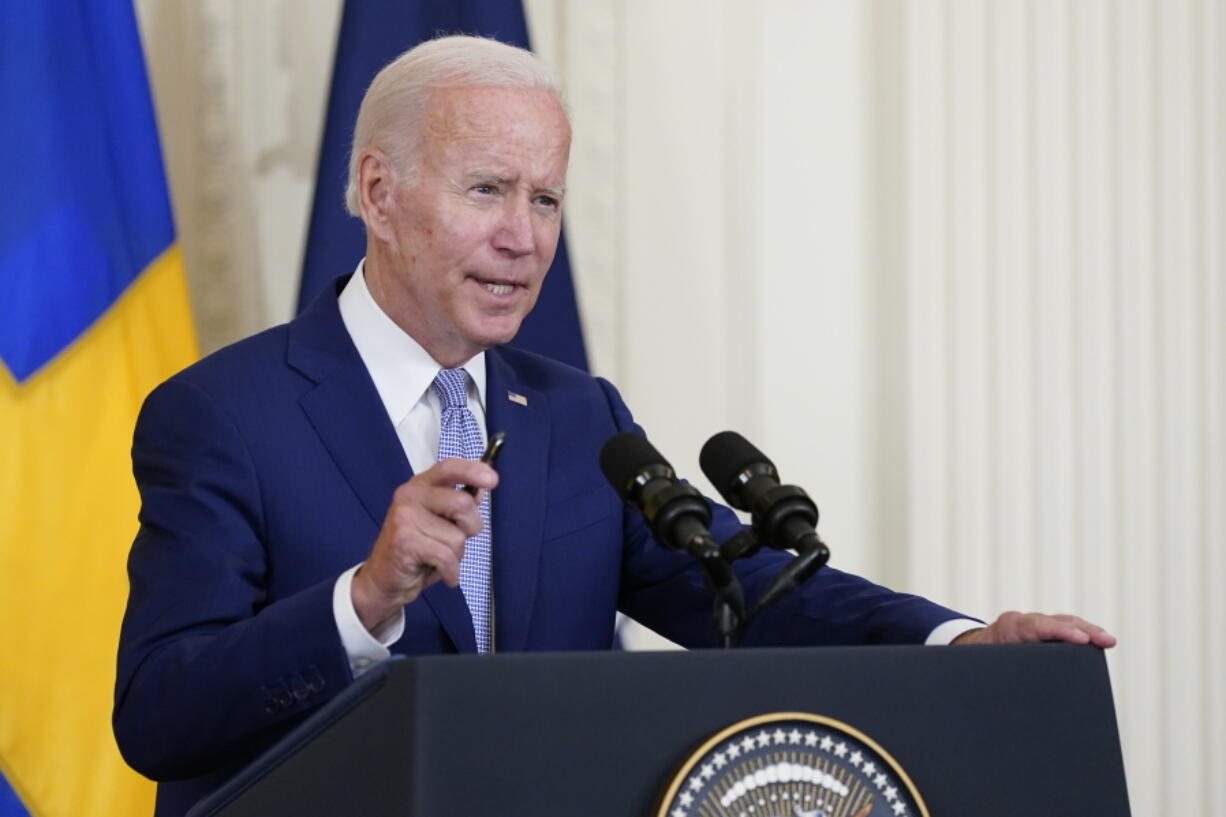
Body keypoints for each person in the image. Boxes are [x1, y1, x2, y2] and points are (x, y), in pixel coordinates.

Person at [113, 35, 1114, 817]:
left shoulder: (570, 412)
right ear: (379, 193)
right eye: (486, 190)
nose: (524, 235)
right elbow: (158, 713)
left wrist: (962, 640)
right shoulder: (221, 415)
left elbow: (746, 590)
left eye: (545, 196)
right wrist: (363, 599)